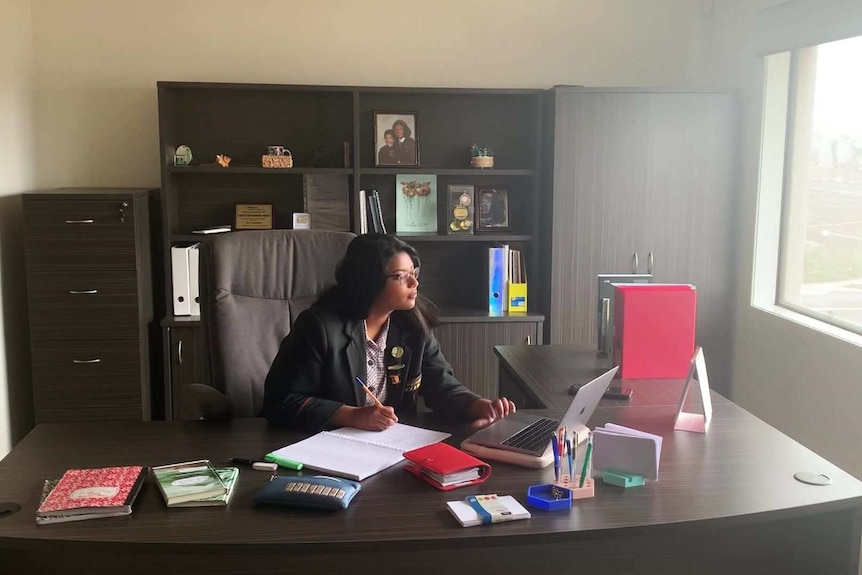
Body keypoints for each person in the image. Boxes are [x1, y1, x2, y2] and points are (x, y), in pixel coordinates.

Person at [262, 234, 515, 432]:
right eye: (400, 277)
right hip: (326, 445)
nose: (414, 284)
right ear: (369, 281)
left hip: (392, 446)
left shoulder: (412, 326)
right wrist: (349, 415)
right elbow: (281, 401)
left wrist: (475, 405)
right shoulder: (319, 327)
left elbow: (441, 385)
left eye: (414, 274)